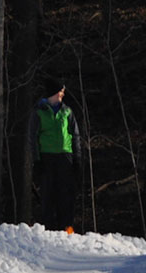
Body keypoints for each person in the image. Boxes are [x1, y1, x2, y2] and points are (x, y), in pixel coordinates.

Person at [27, 80, 85, 232]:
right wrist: (36, 161)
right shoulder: (39, 112)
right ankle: (49, 233)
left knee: (67, 197)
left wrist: (77, 159)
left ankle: (68, 231)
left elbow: (75, 136)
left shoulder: (67, 112)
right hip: (47, 159)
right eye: (61, 91)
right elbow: (32, 138)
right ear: (53, 93)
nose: (63, 93)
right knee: (48, 196)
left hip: (65, 158)